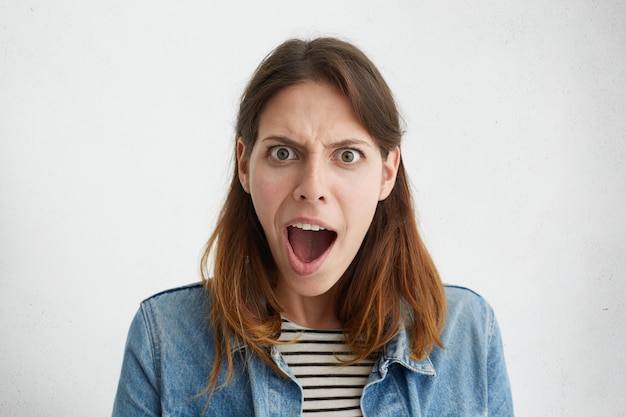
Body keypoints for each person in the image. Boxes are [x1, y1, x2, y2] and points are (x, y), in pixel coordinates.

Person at [112, 37, 514, 417]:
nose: (312, 188)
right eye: (283, 153)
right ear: (244, 164)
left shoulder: (469, 334)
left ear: (387, 173)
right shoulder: (163, 337)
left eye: (348, 155)